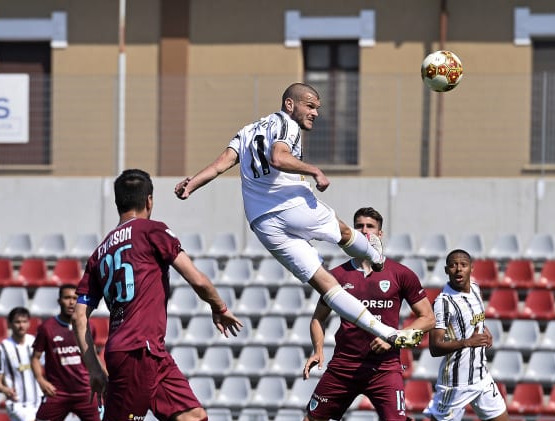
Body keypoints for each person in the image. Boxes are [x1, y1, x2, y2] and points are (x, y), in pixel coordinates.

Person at [174, 82, 423, 349]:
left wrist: (191, 185)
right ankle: (375, 256)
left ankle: (385, 332)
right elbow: (278, 157)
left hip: (262, 222)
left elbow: (220, 165)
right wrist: (315, 170)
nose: (315, 113)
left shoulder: (247, 131)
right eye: (310, 106)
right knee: (344, 232)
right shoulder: (287, 124)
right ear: (289, 104)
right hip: (290, 203)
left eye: (317, 108)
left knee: (326, 285)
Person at [48, 169, 243, 421]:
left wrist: (94, 369)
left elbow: (79, 317)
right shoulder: (153, 231)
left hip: (144, 351)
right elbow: (197, 279)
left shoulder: (100, 252)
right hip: (139, 350)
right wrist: (220, 307)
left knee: (194, 419)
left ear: (118, 203)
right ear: (149, 201)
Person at [278, 207, 436, 421]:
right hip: (344, 366)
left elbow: (427, 318)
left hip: (384, 368)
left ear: (380, 233)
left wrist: (393, 337)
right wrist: (318, 350)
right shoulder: (337, 276)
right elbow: (318, 318)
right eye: (359, 226)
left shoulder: (400, 273)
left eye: (370, 226)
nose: (364, 231)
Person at [354, 249, 519, 421]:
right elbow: (435, 346)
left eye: (463, 265)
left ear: (471, 268)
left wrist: (484, 331)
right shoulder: (443, 302)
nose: (458, 269)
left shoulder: (476, 288)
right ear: (446, 270)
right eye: (453, 265)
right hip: (456, 383)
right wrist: (467, 342)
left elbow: (474, 321)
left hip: (482, 377)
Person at [18, 284, 103, 421]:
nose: (71, 302)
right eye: (67, 298)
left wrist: (104, 380)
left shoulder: (88, 326)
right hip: (58, 394)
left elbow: (94, 356)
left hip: (85, 393)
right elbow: (35, 358)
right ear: (59, 301)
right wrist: (41, 380)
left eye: (74, 298)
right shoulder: (47, 328)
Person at [0, 307, 73, 421]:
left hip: (41, 404)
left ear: (29, 323)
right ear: (10, 324)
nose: (21, 325)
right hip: (19, 405)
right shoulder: (2, 348)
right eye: (17, 322)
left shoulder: (34, 343)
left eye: (24, 322)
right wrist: (5, 390)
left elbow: (51, 367)